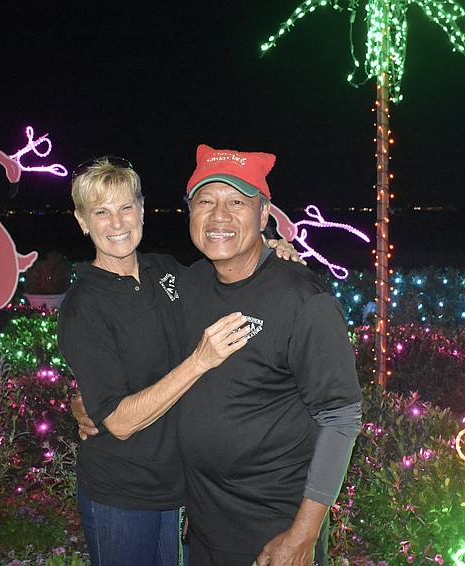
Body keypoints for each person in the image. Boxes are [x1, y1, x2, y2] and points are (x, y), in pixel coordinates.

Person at [57, 156, 298, 566]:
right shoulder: (84, 305)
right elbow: (118, 421)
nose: (117, 223)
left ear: (143, 211)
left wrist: (267, 250)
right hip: (122, 490)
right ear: (82, 222)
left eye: (125, 207)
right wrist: (199, 361)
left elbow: (227, 278)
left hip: (177, 485)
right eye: (101, 212)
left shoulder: (164, 271)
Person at [176, 144, 363, 566]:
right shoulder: (187, 285)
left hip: (274, 533)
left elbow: (341, 418)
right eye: (206, 201)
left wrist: (303, 534)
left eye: (237, 203)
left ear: (263, 216)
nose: (219, 216)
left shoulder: (304, 301)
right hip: (203, 531)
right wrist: (91, 396)